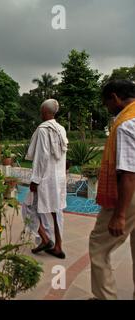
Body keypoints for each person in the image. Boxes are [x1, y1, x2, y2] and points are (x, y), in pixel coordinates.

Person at [89, 80, 135, 300]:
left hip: (129, 194)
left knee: (98, 247)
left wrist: (119, 214)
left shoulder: (126, 124)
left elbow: (128, 172)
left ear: (115, 98)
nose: (107, 108)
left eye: (106, 103)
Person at [25, 99, 68, 259]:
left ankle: (45, 239)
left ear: (45, 112)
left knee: (27, 208)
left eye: (41, 111)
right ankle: (58, 246)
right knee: (56, 212)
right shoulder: (61, 129)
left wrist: (35, 180)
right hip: (58, 178)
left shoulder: (43, 130)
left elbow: (41, 157)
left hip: (44, 178)